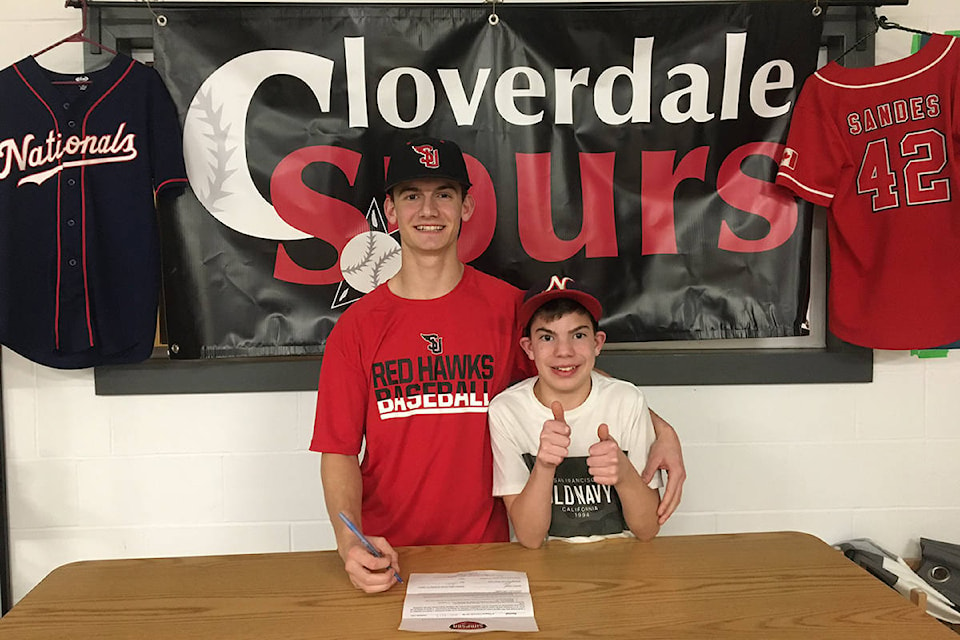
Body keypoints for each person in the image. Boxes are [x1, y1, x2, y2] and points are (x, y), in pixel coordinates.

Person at [310, 136, 685, 593]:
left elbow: (571, 372)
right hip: (389, 555)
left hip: (488, 553)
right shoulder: (357, 327)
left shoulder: (508, 310)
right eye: (412, 196)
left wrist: (660, 427)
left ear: (466, 207)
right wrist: (348, 543)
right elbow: (339, 452)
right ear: (390, 211)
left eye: (444, 195)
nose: (428, 210)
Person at [489, 278, 661, 548]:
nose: (564, 351)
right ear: (529, 348)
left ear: (597, 343)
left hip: (623, 560)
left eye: (578, 335)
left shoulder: (626, 400)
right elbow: (531, 539)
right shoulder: (507, 410)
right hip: (545, 565)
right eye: (547, 337)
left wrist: (624, 473)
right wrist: (544, 467)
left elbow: (648, 528)